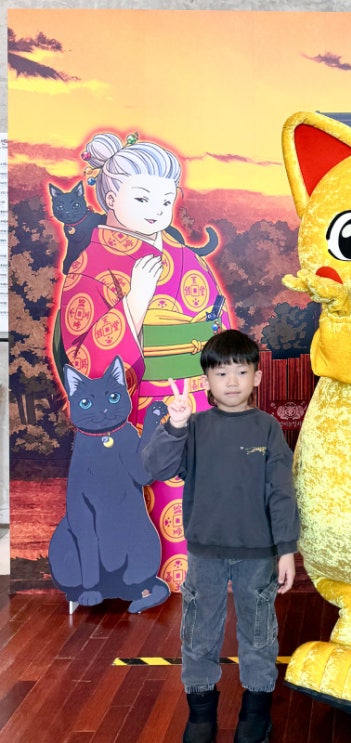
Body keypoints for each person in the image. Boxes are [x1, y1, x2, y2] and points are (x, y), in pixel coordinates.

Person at [57, 132, 231, 592]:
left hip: (200, 396)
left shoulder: (184, 257)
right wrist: (135, 302)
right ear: (110, 197)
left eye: (166, 200)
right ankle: (145, 576)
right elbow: (85, 354)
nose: (157, 210)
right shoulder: (92, 264)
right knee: (151, 491)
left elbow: (217, 323)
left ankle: (207, 572)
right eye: (142, 197)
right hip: (142, 405)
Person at [141, 329, 299, 743]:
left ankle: (255, 712)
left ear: (256, 378)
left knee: (259, 635)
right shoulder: (193, 427)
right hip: (205, 555)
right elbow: (155, 467)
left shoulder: (267, 429)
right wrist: (175, 425)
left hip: (258, 555)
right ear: (206, 380)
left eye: (241, 372)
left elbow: (282, 492)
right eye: (221, 373)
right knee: (199, 634)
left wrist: (286, 550)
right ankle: (200, 713)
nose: (232, 381)